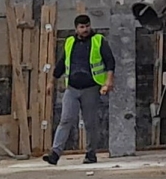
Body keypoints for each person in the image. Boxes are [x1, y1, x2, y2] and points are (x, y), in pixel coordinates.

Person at [46, 14, 115, 164]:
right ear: (76, 29)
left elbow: (110, 62)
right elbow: (61, 64)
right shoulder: (70, 42)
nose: (85, 29)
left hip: (91, 88)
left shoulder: (98, 40)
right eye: (82, 27)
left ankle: (91, 154)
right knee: (65, 120)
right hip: (72, 88)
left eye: (87, 26)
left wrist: (108, 81)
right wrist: (51, 82)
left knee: (90, 123)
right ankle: (55, 153)